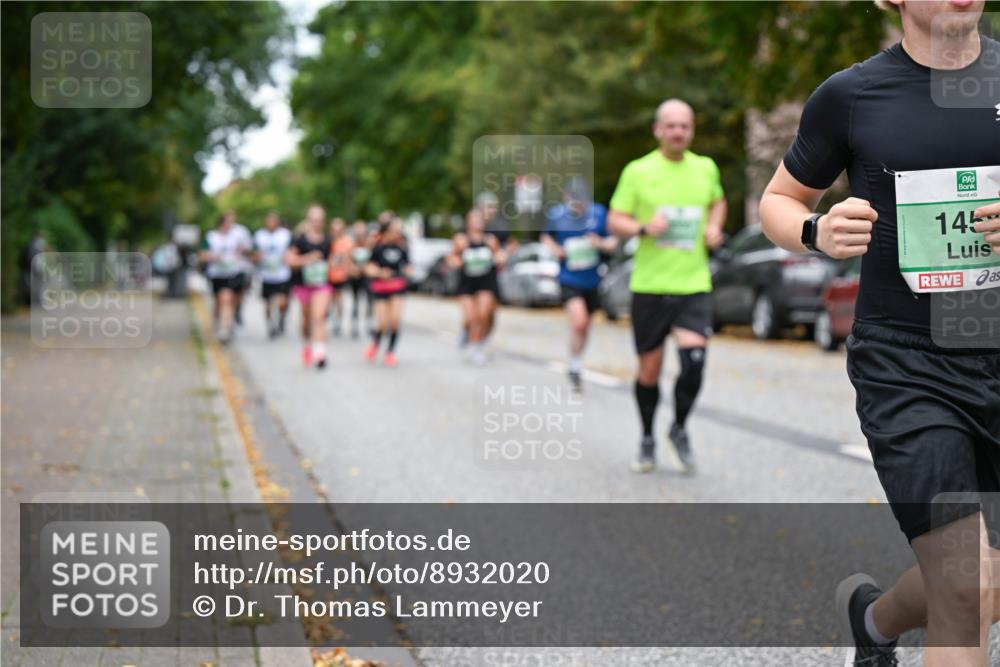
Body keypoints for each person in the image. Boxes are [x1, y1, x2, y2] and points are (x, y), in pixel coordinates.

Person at [758, 1, 1000, 664]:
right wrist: (817, 231)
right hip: (909, 363)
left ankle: (874, 621)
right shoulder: (852, 95)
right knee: (965, 584)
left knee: (986, 583)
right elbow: (778, 201)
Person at [608, 98, 726, 474]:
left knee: (695, 362)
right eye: (671, 125)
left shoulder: (705, 168)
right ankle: (646, 435)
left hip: (693, 284)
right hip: (650, 286)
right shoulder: (638, 171)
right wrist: (642, 228)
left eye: (685, 126)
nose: (678, 132)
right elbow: (615, 220)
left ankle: (677, 428)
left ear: (692, 130)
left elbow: (718, 202)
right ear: (658, 129)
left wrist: (713, 227)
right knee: (650, 370)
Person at [540, 177, 617, 392]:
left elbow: (613, 242)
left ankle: (575, 363)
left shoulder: (599, 213)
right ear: (566, 198)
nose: (578, 206)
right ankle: (574, 362)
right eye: (574, 201)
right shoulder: (557, 214)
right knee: (579, 322)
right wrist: (557, 250)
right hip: (569, 277)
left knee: (585, 327)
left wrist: (600, 243)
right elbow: (545, 238)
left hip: (592, 279)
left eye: (581, 201)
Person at [449, 208, 505, 365]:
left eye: (480, 219)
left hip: (485, 282)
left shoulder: (490, 240)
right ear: (468, 222)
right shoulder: (461, 239)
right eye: (474, 219)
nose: (477, 222)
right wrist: (457, 261)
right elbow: (452, 257)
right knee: (470, 317)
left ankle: (477, 346)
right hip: (467, 282)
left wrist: (500, 258)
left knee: (483, 314)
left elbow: (499, 255)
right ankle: (465, 331)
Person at [285, 204, 333, 369]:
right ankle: (307, 344)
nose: (316, 223)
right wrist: (308, 259)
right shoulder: (299, 239)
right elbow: (290, 261)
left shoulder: (328, 240)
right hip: (303, 285)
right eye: (313, 220)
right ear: (308, 220)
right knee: (306, 320)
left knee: (319, 317)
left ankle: (320, 353)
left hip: (322, 285)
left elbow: (332, 262)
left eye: (319, 220)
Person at [364, 218, 411, 367]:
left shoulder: (402, 248)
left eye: (398, 230)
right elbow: (368, 268)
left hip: (398, 287)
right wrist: (380, 272)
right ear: (385, 232)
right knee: (383, 324)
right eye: (394, 230)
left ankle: (390, 353)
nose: (397, 233)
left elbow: (408, 266)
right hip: (381, 288)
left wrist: (408, 271)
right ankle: (375, 343)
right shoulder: (377, 248)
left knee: (395, 321)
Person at [200, 211, 253, 344]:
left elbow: (250, 251)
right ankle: (220, 323)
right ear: (222, 222)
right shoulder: (211, 237)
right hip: (217, 273)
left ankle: (225, 329)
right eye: (229, 221)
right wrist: (213, 256)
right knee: (220, 301)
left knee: (227, 299)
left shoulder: (238, 235)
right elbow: (202, 254)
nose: (232, 224)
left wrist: (243, 251)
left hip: (235, 272)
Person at [253, 212, 292, 338]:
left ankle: (281, 318)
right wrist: (257, 256)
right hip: (266, 275)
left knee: (282, 302)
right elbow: (253, 254)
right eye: (268, 221)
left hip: (282, 274)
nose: (271, 224)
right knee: (268, 304)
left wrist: (288, 257)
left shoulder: (285, 235)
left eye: (273, 221)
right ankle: (270, 324)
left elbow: (292, 251)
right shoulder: (259, 235)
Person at [347, 220, 374, 339]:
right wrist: (354, 269)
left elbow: (373, 260)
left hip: (367, 276)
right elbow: (347, 261)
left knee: (369, 300)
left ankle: (369, 324)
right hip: (355, 277)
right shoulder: (351, 245)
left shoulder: (370, 245)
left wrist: (365, 268)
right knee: (355, 301)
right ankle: (354, 326)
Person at [327, 217, 353, 337]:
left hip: (341, 275)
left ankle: (338, 321)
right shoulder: (328, 240)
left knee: (338, 299)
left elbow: (349, 258)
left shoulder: (347, 241)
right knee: (330, 299)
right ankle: (332, 318)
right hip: (328, 274)